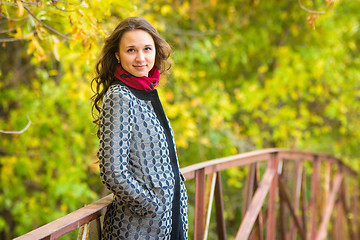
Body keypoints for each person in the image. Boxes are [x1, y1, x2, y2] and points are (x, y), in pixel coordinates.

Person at [91, 17, 188, 239]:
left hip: (168, 220)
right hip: (138, 228)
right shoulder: (120, 96)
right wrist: (151, 206)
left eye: (147, 49)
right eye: (131, 50)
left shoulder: (146, 91)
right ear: (117, 54)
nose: (141, 58)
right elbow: (113, 172)